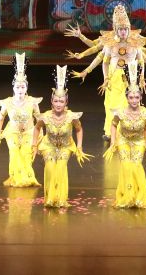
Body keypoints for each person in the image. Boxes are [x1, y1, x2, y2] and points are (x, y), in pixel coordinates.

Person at [67, 4, 146, 138]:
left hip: (131, 77)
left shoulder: (135, 40)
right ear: (115, 29)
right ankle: (111, 132)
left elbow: (145, 53)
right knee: (111, 104)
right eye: (120, 29)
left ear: (129, 29)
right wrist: (81, 38)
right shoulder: (109, 41)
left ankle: (130, 131)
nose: (123, 32)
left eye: (125, 29)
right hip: (113, 77)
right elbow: (99, 55)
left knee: (131, 103)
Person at [32, 65, 92, 208]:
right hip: (48, 146)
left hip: (65, 146)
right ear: (52, 101)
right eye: (56, 101)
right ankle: (50, 198)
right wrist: (34, 144)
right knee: (50, 168)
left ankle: (60, 199)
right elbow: (37, 127)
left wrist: (79, 146)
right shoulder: (45, 116)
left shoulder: (72, 116)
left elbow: (79, 129)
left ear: (66, 102)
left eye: (61, 101)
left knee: (60, 168)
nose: (58, 104)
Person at [104, 60, 146, 208]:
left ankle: (138, 196)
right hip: (123, 140)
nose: (134, 100)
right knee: (126, 166)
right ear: (127, 98)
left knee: (136, 166)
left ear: (140, 97)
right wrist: (113, 142)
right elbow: (113, 124)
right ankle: (126, 196)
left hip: (139, 141)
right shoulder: (120, 112)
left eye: (136, 97)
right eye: (131, 97)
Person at [0, 53, 41, 187]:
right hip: (12, 133)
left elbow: (39, 121)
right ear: (13, 88)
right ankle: (16, 178)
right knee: (14, 152)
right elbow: (0, 118)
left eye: (23, 87)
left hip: (29, 132)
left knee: (25, 154)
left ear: (26, 88)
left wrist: (39, 137)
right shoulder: (7, 102)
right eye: (18, 87)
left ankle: (26, 178)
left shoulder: (32, 102)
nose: (20, 89)